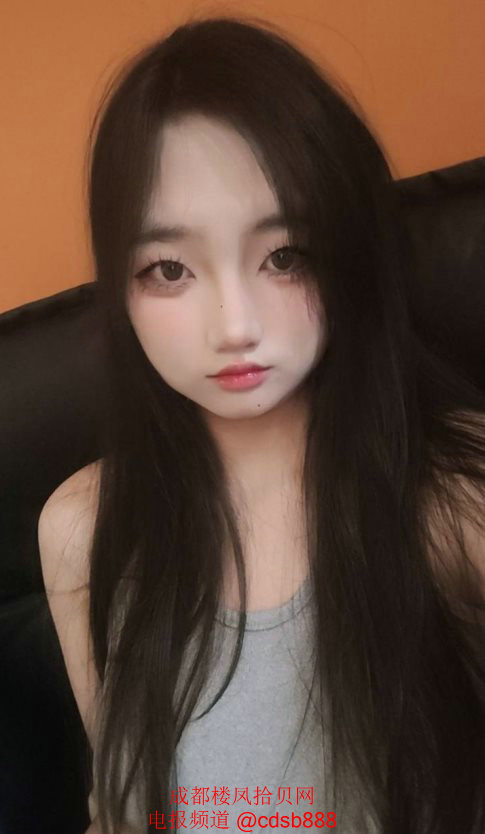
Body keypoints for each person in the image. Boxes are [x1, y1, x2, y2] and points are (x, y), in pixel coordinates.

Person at [38, 14, 485, 834]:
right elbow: (118, 811)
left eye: (284, 255)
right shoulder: (81, 529)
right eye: (168, 268)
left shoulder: (455, 503)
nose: (235, 325)